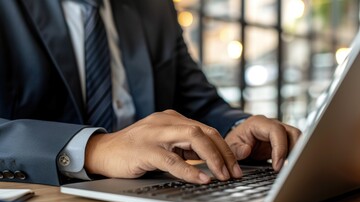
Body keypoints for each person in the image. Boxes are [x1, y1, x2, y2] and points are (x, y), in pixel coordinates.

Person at [0, 0, 301, 186]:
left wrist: (238, 130)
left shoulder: (154, 7)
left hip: (156, 191)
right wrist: (95, 149)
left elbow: (199, 102)